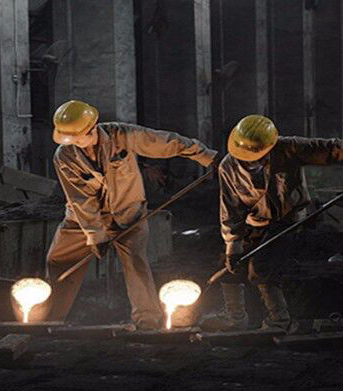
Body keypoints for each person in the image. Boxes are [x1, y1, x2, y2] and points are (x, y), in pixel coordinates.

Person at [204, 114, 343, 332]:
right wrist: (233, 246)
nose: (252, 161)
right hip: (253, 221)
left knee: (262, 267)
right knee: (229, 265)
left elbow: (336, 147)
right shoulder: (228, 167)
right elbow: (230, 209)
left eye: (258, 156)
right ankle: (235, 317)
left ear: (270, 146)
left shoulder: (288, 149)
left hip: (286, 220)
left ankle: (279, 322)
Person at [46, 99, 218, 326]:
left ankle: (147, 319)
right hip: (82, 219)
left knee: (135, 262)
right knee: (58, 260)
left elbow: (164, 142)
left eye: (79, 137)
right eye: (70, 139)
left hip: (129, 213)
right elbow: (80, 199)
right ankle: (48, 318)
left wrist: (206, 156)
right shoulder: (64, 155)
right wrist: (96, 236)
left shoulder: (121, 135)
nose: (76, 144)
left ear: (92, 127)